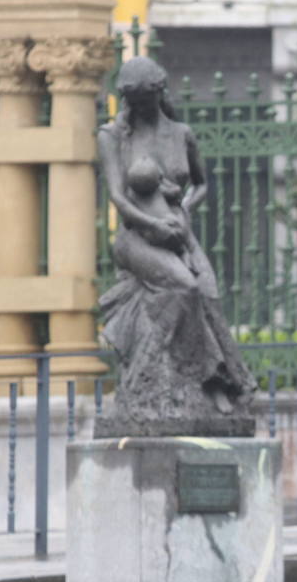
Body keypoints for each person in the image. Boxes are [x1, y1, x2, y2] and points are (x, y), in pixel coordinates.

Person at [97, 56, 253, 428]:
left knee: (208, 291)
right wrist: (155, 223)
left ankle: (227, 378)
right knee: (185, 287)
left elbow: (200, 183)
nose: (139, 108)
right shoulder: (113, 136)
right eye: (133, 101)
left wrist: (182, 208)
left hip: (177, 233)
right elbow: (118, 198)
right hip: (136, 239)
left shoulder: (181, 133)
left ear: (159, 94)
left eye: (146, 100)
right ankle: (210, 375)